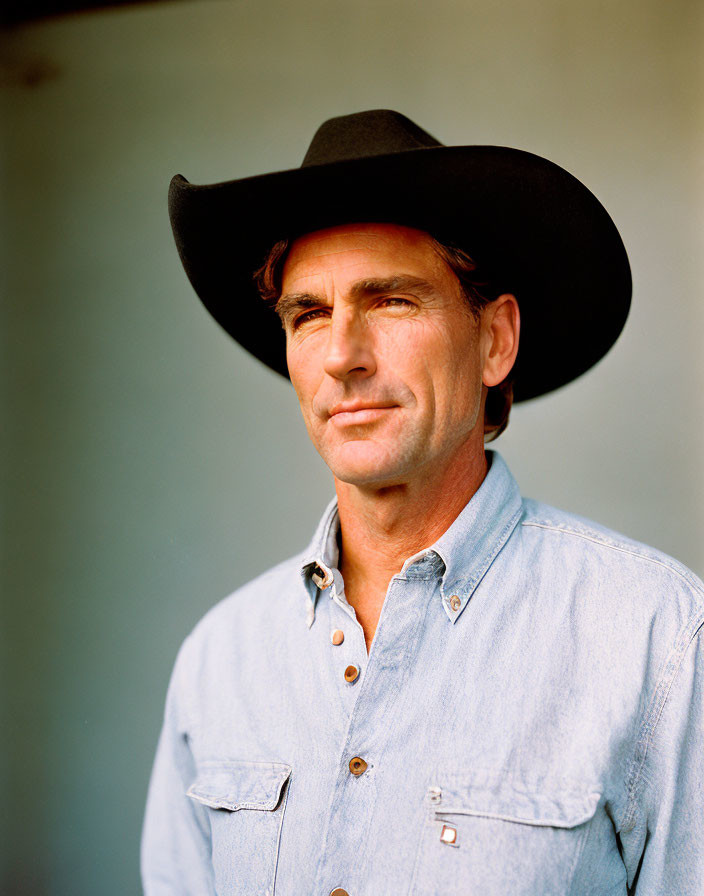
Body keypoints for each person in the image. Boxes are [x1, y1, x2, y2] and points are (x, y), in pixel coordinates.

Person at [142, 110, 703, 895]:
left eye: (392, 301)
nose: (341, 355)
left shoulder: (658, 639)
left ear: (495, 341)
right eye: (308, 314)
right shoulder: (218, 661)